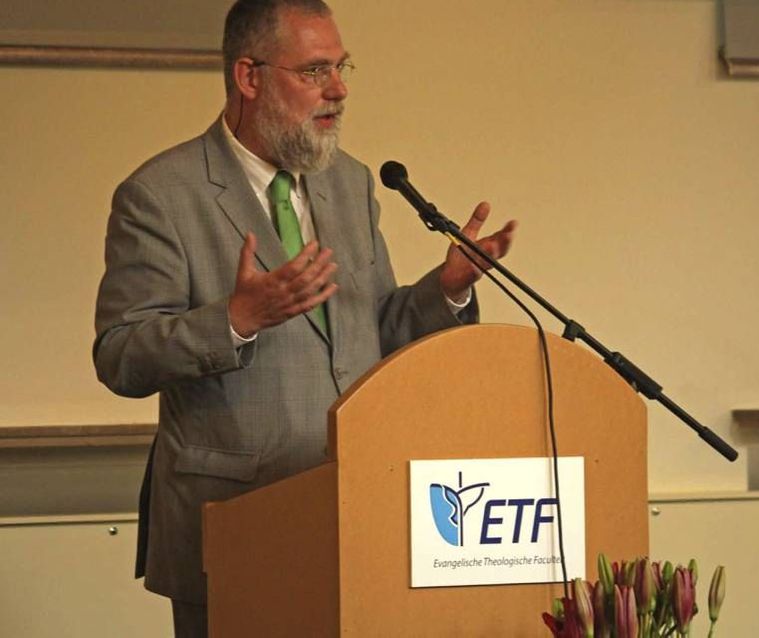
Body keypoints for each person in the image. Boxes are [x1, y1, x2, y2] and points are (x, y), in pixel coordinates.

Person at [92, 0, 516, 634]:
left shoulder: (349, 182)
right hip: (233, 521)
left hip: (358, 517)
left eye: (341, 67)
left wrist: (445, 290)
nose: (339, 90)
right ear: (249, 76)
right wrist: (236, 318)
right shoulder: (159, 194)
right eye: (315, 71)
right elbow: (120, 355)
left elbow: (375, 330)